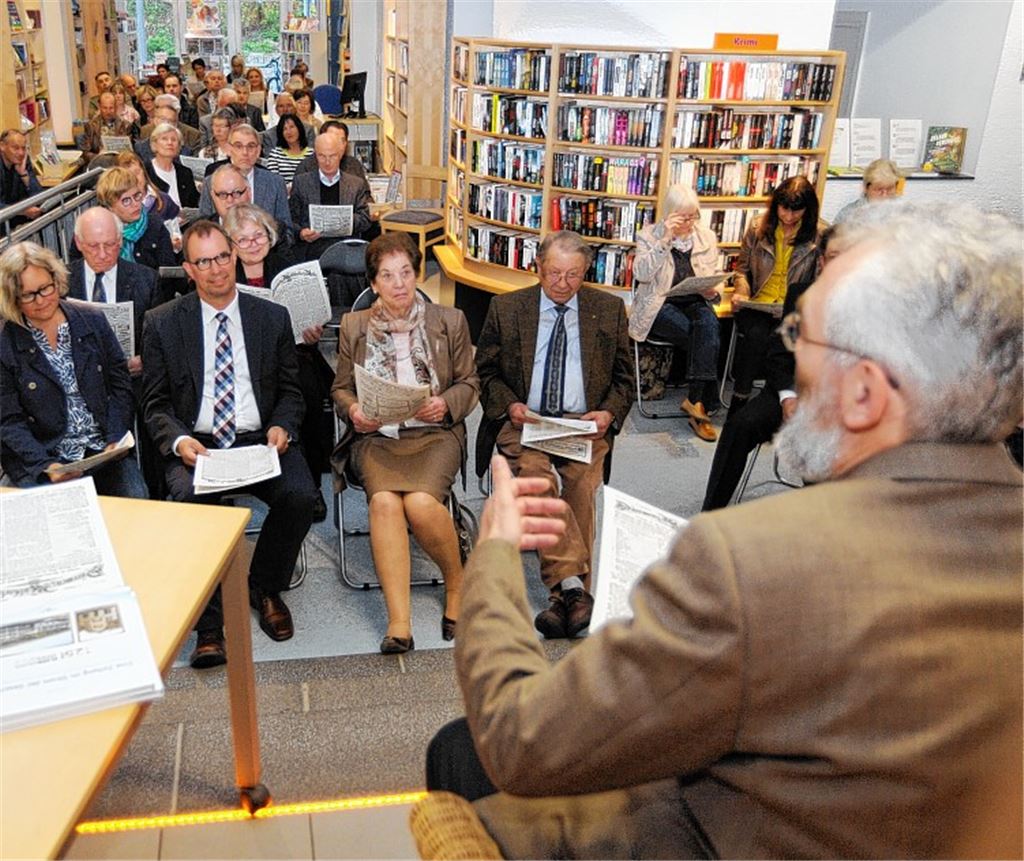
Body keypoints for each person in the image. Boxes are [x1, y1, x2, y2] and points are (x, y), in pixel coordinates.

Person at [428, 201, 1024, 859]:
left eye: (803, 335)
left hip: (725, 834)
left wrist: (493, 557)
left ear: (865, 393)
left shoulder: (747, 561)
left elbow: (522, 741)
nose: (789, 366)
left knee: (464, 751)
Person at [141, 220, 318, 668]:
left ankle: (264, 586)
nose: (217, 268)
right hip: (199, 443)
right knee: (187, 501)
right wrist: (178, 440)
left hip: (258, 439)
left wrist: (282, 426)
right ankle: (209, 622)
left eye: (223, 256)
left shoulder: (271, 317)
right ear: (188, 269)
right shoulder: (163, 323)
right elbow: (155, 403)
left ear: (234, 256)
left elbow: (291, 391)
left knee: (301, 494)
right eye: (203, 261)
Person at [474, 230, 634, 639]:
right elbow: (485, 373)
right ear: (538, 268)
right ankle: (577, 591)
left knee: (580, 483)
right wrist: (511, 405)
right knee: (537, 477)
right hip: (525, 422)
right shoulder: (507, 308)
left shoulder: (608, 309)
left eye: (573, 275)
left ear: (586, 272)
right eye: (554, 274)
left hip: (583, 424)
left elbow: (624, 380)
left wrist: (607, 413)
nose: (563, 284)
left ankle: (564, 598)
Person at [331, 234, 480, 653]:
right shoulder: (354, 326)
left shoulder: (450, 321)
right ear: (373, 283)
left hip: (434, 434)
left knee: (419, 504)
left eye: (406, 273)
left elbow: (470, 383)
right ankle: (399, 622)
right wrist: (354, 410)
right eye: (387, 276)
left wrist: (445, 404)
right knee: (383, 502)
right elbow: (340, 388)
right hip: (378, 437)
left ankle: (457, 581)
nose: (398, 284)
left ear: (417, 275)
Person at [701, 225, 839, 511]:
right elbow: (779, 355)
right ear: (822, 261)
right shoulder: (800, 295)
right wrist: (788, 397)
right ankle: (711, 511)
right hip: (791, 392)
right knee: (739, 426)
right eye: (834, 257)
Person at [0, 241, 147, 497]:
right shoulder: (6, 344)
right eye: (29, 295)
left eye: (46, 288)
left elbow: (120, 385)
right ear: (13, 298)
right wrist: (45, 465)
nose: (41, 300)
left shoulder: (91, 320)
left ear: (56, 281)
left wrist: (115, 437)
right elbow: (8, 421)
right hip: (45, 457)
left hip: (104, 450)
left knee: (136, 502)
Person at [225, 203, 331, 520]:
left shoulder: (288, 268)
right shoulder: (224, 276)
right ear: (231, 245)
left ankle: (311, 484)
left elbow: (309, 318)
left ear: (269, 236)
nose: (253, 244)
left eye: (258, 235)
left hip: (293, 352)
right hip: (240, 360)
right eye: (243, 239)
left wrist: (311, 330)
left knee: (308, 391)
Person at [631, 183, 723, 440]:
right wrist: (665, 241)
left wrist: (712, 291)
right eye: (683, 217)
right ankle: (702, 404)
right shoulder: (648, 236)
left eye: (693, 216)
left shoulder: (706, 237)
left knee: (709, 325)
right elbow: (642, 274)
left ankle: (695, 402)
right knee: (703, 337)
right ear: (669, 213)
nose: (689, 222)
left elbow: (714, 274)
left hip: (695, 300)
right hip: (659, 304)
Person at [730, 174, 823, 410]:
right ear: (776, 206)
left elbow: (820, 282)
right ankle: (740, 400)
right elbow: (742, 270)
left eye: (796, 211)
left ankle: (775, 401)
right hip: (758, 304)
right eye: (784, 209)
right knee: (757, 335)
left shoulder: (819, 235)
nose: (789, 217)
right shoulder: (757, 228)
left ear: (808, 210)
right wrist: (741, 292)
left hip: (793, 309)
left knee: (781, 338)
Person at [197, 125, 292, 241]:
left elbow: (288, 232)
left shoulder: (275, 183)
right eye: (238, 146)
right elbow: (202, 227)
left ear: (258, 151)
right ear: (229, 149)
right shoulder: (211, 182)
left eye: (251, 146)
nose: (245, 152)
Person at [290, 132, 371, 261]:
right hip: (312, 250)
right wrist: (301, 233)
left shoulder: (355, 184)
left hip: (346, 250)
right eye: (322, 156)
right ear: (315, 155)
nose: (327, 162)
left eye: (332, 156)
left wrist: (345, 220)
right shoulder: (301, 183)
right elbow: (290, 219)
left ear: (340, 154)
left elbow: (365, 219)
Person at [93, 167, 176, 271]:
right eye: (126, 200)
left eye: (137, 195)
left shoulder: (155, 226)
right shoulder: (94, 233)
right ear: (110, 206)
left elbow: (168, 272)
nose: (135, 204)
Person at [143, 123, 201, 211]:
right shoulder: (144, 170)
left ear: (179, 147)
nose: (170, 143)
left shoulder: (185, 172)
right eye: (164, 139)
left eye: (174, 140)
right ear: (154, 144)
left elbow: (194, 205)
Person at [115, 150, 179, 224]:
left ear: (144, 171)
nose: (135, 179)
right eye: (128, 176)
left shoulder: (164, 200)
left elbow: (179, 226)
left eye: (137, 172)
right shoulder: (118, 209)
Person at [833, 158, 903, 224]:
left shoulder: (904, 212)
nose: (884, 195)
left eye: (889, 189)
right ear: (865, 188)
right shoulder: (848, 214)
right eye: (879, 189)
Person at [294, 120, 365, 182]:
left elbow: (364, 192)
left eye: (342, 141)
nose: (337, 145)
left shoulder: (354, 165)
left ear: (346, 143)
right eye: (332, 140)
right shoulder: (306, 167)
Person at [0, 129, 43, 223]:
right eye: (15, 148)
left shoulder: (23, 161)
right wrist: (22, 211)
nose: (21, 153)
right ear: (2, 146)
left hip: (14, 219)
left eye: (23, 148)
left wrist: (24, 174)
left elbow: (39, 197)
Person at [79, 93, 134, 164]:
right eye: (105, 108)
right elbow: (85, 153)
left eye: (111, 108)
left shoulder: (125, 125)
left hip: (119, 163)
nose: (108, 111)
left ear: (116, 107)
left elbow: (129, 151)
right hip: (99, 162)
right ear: (100, 107)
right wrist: (98, 157)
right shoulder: (91, 126)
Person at [261, 113, 313, 186]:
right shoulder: (275, 154)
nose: (289, 132)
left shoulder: (311, 154)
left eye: (292, 127)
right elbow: (272, 181)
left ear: (299, 128)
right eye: (284, 129)